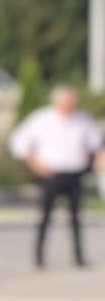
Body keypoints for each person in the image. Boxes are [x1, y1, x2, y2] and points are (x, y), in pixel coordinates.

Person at [8, 85, 102, 268]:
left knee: (75, 217)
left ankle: (79, 257)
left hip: (75, 174)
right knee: (45, 216)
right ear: (58, 102)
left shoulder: (82, 119)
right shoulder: (42, 119)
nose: (70, 105)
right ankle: (39, 256)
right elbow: (19, 141)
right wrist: (35, 163)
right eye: (67, 102)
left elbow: (96, 144)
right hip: (51, 174)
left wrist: (99, 158)